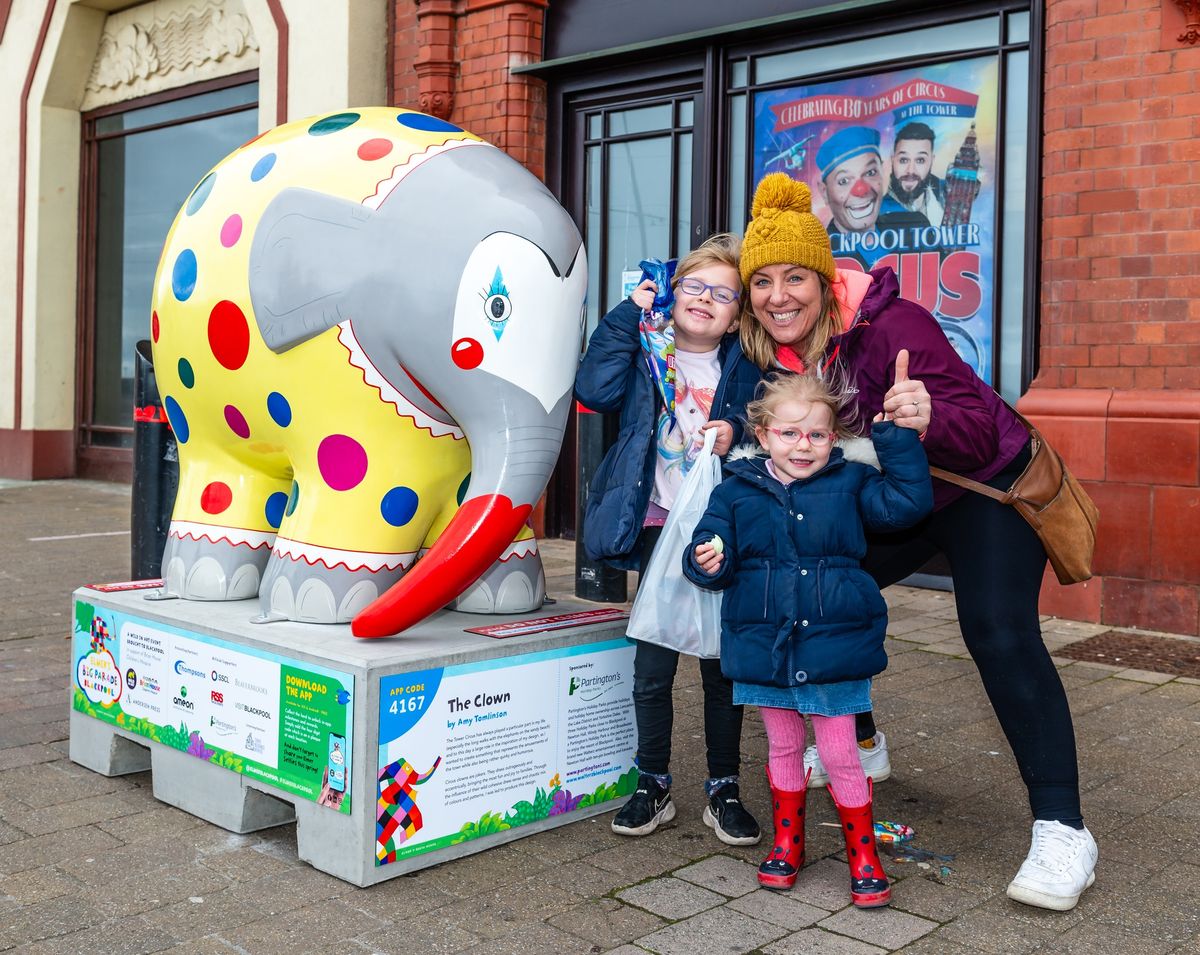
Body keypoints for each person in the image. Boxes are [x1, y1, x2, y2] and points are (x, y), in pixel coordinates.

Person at [709, 172, 1099, 912]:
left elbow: (980, 425)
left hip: (983, 489)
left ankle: (1064, 827)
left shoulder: (892, 325)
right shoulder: (766, 354)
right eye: (763, 281)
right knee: (810, 574)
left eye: (796, 277)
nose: (779, 294)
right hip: (894, 497)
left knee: (997, 630)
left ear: (824, 282)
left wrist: (923, 415)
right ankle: (858, 734)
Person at [684, 373, 932, 905]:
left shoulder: (852, 483)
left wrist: (897, 442)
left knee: (842, 751)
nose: (804, 446)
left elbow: (906, 506)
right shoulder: (734, 491)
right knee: (783, 746)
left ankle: (863, 853)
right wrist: (707, 558)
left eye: (817, 436)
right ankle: (787, 842)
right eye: (791, 434)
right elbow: (708, 547)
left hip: (833, 643)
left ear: (834, 440)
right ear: (764, 434)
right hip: (765, 645)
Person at [575, 234, 763, 845]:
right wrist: (629, 313)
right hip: (660, 522)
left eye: (723, 294)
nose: (705, 300)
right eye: (693, 286)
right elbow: (593, 390)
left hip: (721, 527)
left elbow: (769, 420)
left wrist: (736, 427)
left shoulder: (743, 365)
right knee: (652, 665)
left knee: (720, 667)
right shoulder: (644, 350)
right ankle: (652, 783)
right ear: (671, 291)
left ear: (737, 313)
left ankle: (722, 788)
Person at [816, 126, 928, 268]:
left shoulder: (917, 225)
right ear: (824, 192)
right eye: (844, 181)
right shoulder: (818, 255)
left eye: (870, 172)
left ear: (882, 172)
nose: (861, 190)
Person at [886, 122, 947, 227]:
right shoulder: (875, 208)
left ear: (931, 161)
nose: (910, 170)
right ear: (892, 160)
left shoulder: (945, 194)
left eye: (920, 160)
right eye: (904, 160)